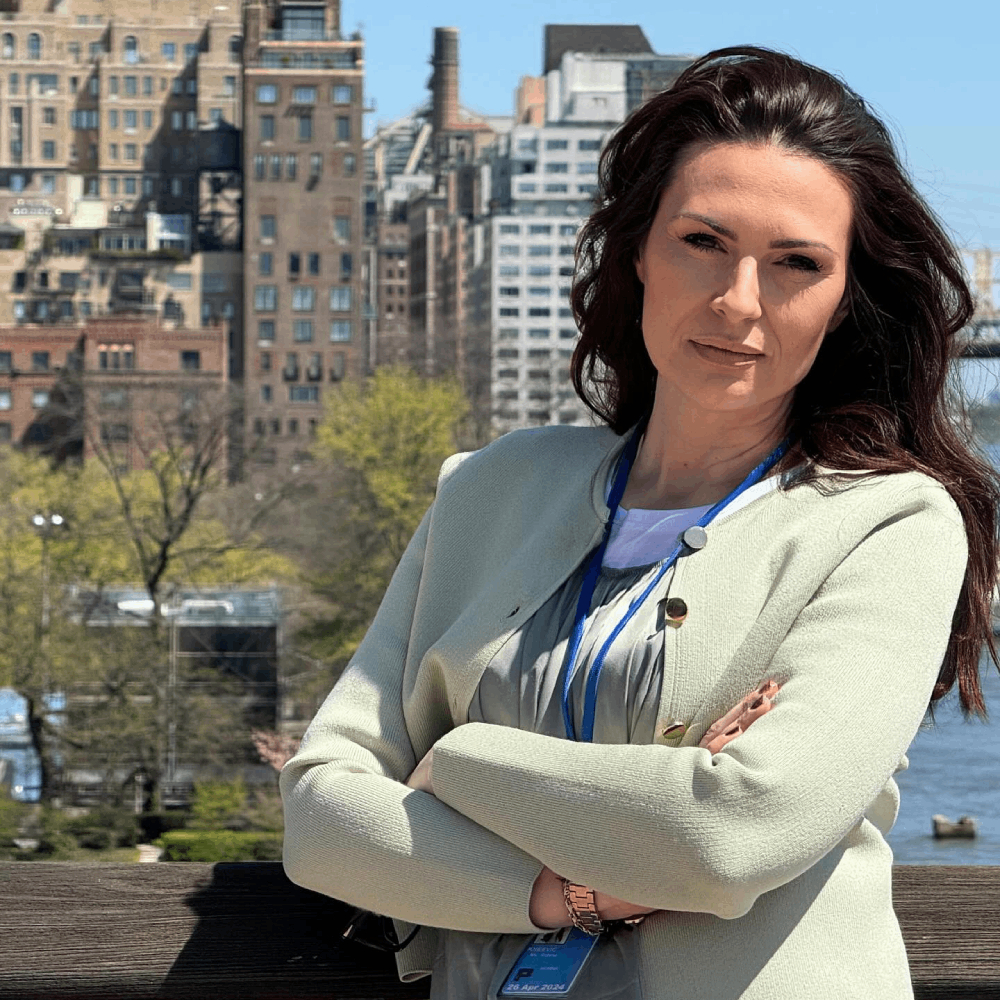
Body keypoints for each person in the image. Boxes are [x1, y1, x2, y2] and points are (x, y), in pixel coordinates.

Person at [281, 45, 999, 999]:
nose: (739, 301)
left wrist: (450, 763)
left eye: (796, 263)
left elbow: (735, 832)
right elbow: (321, 816)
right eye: (703, 242)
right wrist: (564, 891)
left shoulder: (889, 524)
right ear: (637, 253)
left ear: (841, 304)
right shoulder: (489, 490)